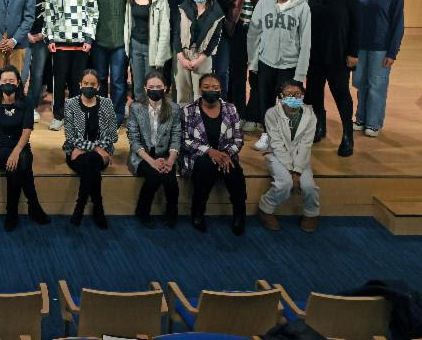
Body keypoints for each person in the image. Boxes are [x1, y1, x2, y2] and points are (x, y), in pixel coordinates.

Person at [248, 0, 312, 149]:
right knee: (265, 100)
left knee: (289, 103)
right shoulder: (264, 2)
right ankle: (267, 134)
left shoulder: (302, 6)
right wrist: (253, 62)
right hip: (266, 61)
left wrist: (300, 73)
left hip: (290, 64)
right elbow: (254, 34)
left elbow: (305, 42)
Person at [304, 0, 360, 156]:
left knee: (341, 95)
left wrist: (354, 53)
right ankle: (319, 126)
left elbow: (357, 25)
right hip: (313, 55)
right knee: (313, 94)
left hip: (338, 54)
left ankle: (347, 135)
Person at [0, 66, 49, 231]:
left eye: (11, 80)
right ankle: (33, 205)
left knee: (17, 163)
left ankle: (11, 212)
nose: (8, 83)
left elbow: (27, 130)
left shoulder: (26, 103)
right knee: (20, 165)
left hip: (20, 146)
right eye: (4, 81)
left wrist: (15, 152)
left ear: (18, 82)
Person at [181, 73, 246, 234]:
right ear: (200, 89)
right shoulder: (188, 111)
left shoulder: (231, 109)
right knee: (205, 167)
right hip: (199, 157)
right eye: (207, 87)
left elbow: (238, 139)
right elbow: (185, 140)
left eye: (215, 87)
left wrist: (224, 154)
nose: (211, 90)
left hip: (226, 155)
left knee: (235, 172)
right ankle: (198, 212)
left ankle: (239, 214)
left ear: (221, 89)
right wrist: (210, 151)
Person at [45, 0, 98, 130]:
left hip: (81, 42)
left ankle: (77, 116)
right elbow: (49, 13)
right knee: (59, 81)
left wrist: (89, 38)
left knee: (78, 82)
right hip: (59, 42)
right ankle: (58, 116)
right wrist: (50, 38)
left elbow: (93, 13)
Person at [352, 0, 404, 139]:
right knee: (360, 83)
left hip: (380, 48)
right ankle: (360, 118)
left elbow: (398, 24)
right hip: (358, 46)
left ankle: (373, 123)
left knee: (377, 85)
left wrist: (392, 52)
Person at [258, 79, 319, 232]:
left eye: (297, 94)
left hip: (301, 157)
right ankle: (266, 208)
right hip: (277, 156)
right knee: (285, 184)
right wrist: (291, 170)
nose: (294, 97)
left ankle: (311, 213)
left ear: (303, 95)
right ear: (281, 96)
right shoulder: (272, 114)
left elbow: (306, 145)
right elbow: (277, 144)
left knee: (309, 186)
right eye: (289, 94)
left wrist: (297, 169)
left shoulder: (310, 115)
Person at [126, 72, 181, 228]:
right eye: (151, 87)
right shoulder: (136, 108)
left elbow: (176, 137)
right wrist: (152, 162)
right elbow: (134, 141)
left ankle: (172, 212)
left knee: (171, 182)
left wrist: (170, 161)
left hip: (166, 155)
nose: (155, 89)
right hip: (143, 155)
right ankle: (142, 211)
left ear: (165, 88)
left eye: (159, 87)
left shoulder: (174, 109)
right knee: (154, 176)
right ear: (145, 88)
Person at [63, 69, 116, 228]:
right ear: (80, 85)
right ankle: (97, 207)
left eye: (92, 84)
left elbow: (113, 135)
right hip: (79, 152)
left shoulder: (106, 103)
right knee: (91, 161)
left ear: (98, 86)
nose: (89, 86)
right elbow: (71, 137)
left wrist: (90, 148)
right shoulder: (70, 104)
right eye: (85, 83)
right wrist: (97, 148)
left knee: (89, 160)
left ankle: (80, 207)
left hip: (96, 153)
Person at [225, 0, 272, 128]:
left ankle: (254, 115)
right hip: (238, 33)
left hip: (259, 35)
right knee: (237, 75)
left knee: (256, 75)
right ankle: (238, 113)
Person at [172, 0, 225, 105]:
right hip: (182, 55)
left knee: (200, 93)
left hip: (203, 57)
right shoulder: (183, 8)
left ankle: (199, 122)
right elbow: (176, 34)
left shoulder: (217, 13)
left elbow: (214, 40)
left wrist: (199, 60)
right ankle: (184, 121)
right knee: (183, 92)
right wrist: (181, 57)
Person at [91, 0, 129, 126]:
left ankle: (117, 113)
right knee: (100, 79)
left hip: (120, 42)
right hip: (99, 41)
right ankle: (100, 113)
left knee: (117, 81)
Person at [124, 0, 171, 101]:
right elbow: (128, 23)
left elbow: (164, 28)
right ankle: (140, 115)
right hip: (135, 45)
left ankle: (154, 116)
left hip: (152, 48)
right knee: (137, 85)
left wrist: (160, 56)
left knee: (152, 84)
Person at [23, 0, 50, 122]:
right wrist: (25, 33)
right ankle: (19, 104)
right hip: (23, 36)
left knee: (38, 74)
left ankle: (32, 106)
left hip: (42, 37)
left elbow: (54, 13)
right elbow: (17, 10)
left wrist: (42, 34)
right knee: (22, 73)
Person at [208, 0, 235, 96]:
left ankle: (223, 102)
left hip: (225, 33)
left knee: (222, 71)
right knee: (206, 70)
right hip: (207, 32)